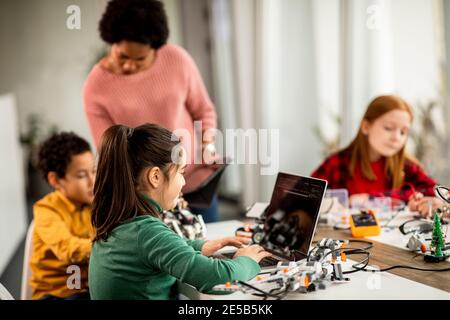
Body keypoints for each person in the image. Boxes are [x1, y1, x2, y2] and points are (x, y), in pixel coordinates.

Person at [88, 124, 271, 300]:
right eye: (181, 172)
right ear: (155, 177)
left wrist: (198, 247)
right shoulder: (147, 232)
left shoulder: (119, 222)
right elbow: (217, 279)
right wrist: (246, 261)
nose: (184, 182)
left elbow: (153, 250)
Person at [83, 0, 219, 222]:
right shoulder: (95, 86)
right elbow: (111, 150)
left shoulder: (178, 60)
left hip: (194, 183)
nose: (129, 66)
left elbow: (204, 111)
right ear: (112, 42)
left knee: (212, 248)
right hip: (147, 199)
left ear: (155, 47)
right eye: (122, 56)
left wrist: (208, 145)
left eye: (140, 59)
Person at [311, 95, 440, 217]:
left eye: (403, 132)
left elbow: (438, 193)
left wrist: (370, 199)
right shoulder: (337, 163)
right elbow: (306, 196)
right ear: (366, 127)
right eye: (388, 128)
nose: (396, 138)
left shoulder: (406, 166)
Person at [30, 132, 95, 300]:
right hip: (57, 293)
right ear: (56, 180)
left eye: (94, 171)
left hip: (90, 288)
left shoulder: (96, 203)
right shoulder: (46, 210)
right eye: (81, 175)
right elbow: (68, 249)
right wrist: (111, 246)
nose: (92, 181)